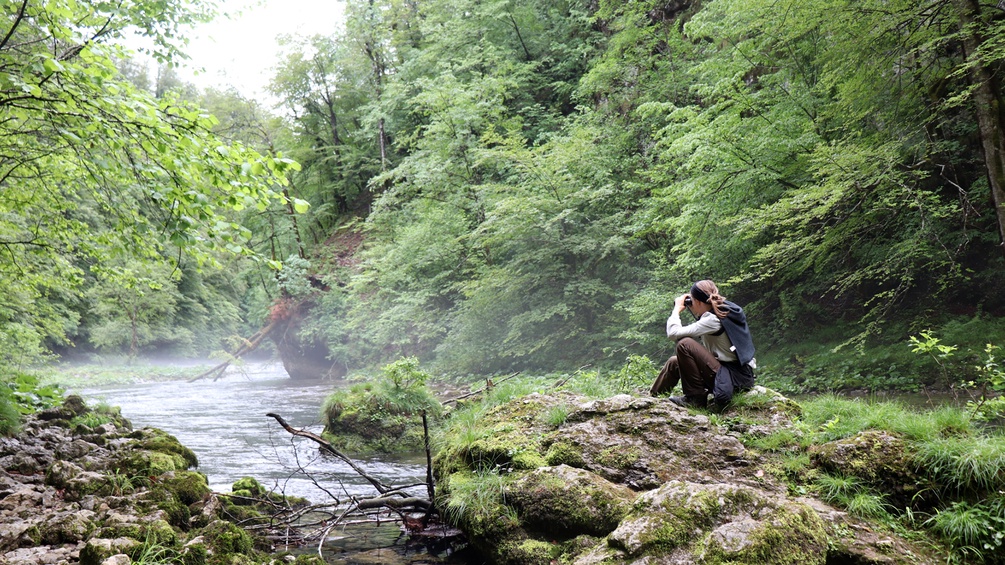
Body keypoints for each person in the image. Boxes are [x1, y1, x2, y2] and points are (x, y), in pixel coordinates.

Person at [649, 280, 756, 408]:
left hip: (733, 377)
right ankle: (653, 398)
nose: (690, 304)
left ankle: (695, 399)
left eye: (692, 301)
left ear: (699, 302)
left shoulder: (712, 319)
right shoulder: (725, 309)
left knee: (685, 344)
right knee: (674, 362)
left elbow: (673, 333)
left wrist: (677, 309)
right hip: (733, 371)